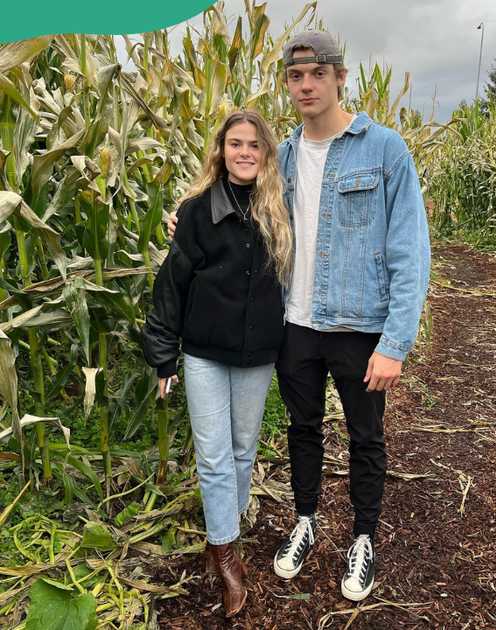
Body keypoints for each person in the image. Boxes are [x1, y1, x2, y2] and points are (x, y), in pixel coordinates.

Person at [168, 30, 431, 603]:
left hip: (361, 326)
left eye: (318, 74)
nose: (306, 85)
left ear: (340, 77)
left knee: (366, 436)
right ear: (287, 83)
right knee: (302, 430)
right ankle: (305, 519)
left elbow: (411, 248)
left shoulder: (385, 150)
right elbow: (231, 203)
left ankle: (363, 536)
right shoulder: (280, 154)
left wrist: (396, 342)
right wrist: (183, 221)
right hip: (293, 322)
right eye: (295, 76)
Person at [142, 109, 293, 617]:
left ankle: (223, 530)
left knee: (242, 449)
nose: (244, 152)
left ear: (266, 153)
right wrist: (163, 355)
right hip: (204, 352)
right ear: (221, 151)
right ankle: (228, 558)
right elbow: (173, 283)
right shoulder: (196, 211)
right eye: (235, 144)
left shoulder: (281, 209)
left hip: (256, 354)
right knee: (212, 456)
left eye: (253, 144)